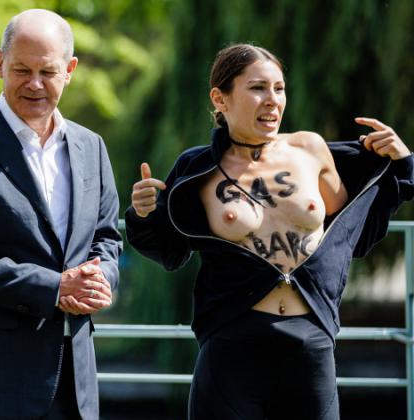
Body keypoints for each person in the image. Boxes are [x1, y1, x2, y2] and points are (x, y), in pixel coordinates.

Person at [125, 43, 414, 419]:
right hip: (231, 347)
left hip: (310, 343)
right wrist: (144, 213)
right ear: (220, 98)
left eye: (279, 88)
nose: (272, 100)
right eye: (258, 88)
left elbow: (349, 230)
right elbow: (168, 250)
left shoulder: (309, 149)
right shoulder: (197, 169)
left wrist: (401, 165)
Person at [0, 9, 122, 419]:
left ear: (69, 71)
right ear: (0, 63)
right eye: (21, 70)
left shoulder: (92, 146)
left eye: (47, 72)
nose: (35, 84)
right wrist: (56, 287)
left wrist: (100, 279)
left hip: (75, 377)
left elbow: (106, 238)